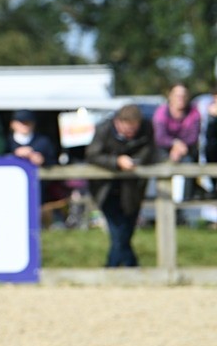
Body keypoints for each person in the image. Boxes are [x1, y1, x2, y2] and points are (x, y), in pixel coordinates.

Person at [85, 104, 155, 267]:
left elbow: (149, 152)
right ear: (117, 122)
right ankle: (127, 268)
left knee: (125, 233)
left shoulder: (147, 129)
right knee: (118, 233)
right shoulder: (103, 130)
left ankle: (118, 269)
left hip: (132, 190)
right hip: (106, 189)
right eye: (127, 129)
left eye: (134, 130)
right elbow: (92, 155)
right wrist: (117, 161)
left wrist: (135, 162)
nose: (131, 134)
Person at [153, 83, 200, 200]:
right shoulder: (161, 112)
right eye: (178, 95)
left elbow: (193, 137)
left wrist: (179, 148)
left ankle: (185, 201)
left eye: (184, 95)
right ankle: (164, 200)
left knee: (189, 165)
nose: (181, 98)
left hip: (185, 150)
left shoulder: (194, 112)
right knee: (163, 165)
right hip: (164, 150)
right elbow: (160, 137)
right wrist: (175, 144)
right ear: (170, 96)